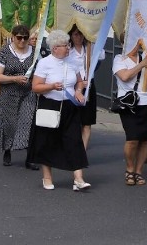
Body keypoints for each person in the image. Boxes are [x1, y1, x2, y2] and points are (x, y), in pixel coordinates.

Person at [30, 30, 90, 191]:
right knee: (48, 142)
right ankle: (47, 177)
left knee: (74, 141)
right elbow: (35, 87)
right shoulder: (45, 63)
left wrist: (78, 91)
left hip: (69, 107)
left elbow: (79, 82)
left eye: (68, 45)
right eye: (65, 45)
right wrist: (51, 86)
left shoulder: (72, 62)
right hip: (50, 106)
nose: (68, 48)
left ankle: (78, 178)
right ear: (55, 48)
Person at [0, 25, 38, 169]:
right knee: (9, 123)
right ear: (13, 37)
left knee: (28, 122)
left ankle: (29, 157)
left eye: (25, 38)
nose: (22, 41)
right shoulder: (5, 51)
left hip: (28, 93)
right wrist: (14, 79)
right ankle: (7, 150)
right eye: (19, 38)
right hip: (9, 93)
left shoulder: (35, 53)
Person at [112, 49, 147, 186]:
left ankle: (139, 171)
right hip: (128, 103)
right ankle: (130, 169)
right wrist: (141, 65)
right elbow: (125, 77)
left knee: (144, 139)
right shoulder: (120, 59)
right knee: (132, 138)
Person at [67, 25, 97, 149]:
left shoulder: (89, 48)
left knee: (87, 120)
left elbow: (101, 55)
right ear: (71, 36)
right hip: (74, 86)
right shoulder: (68, 51)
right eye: (76, 34)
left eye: (81, 34)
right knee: (74, 119)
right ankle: (72, 146)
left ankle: (82, 150)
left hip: (89, 86)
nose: (79, 37)